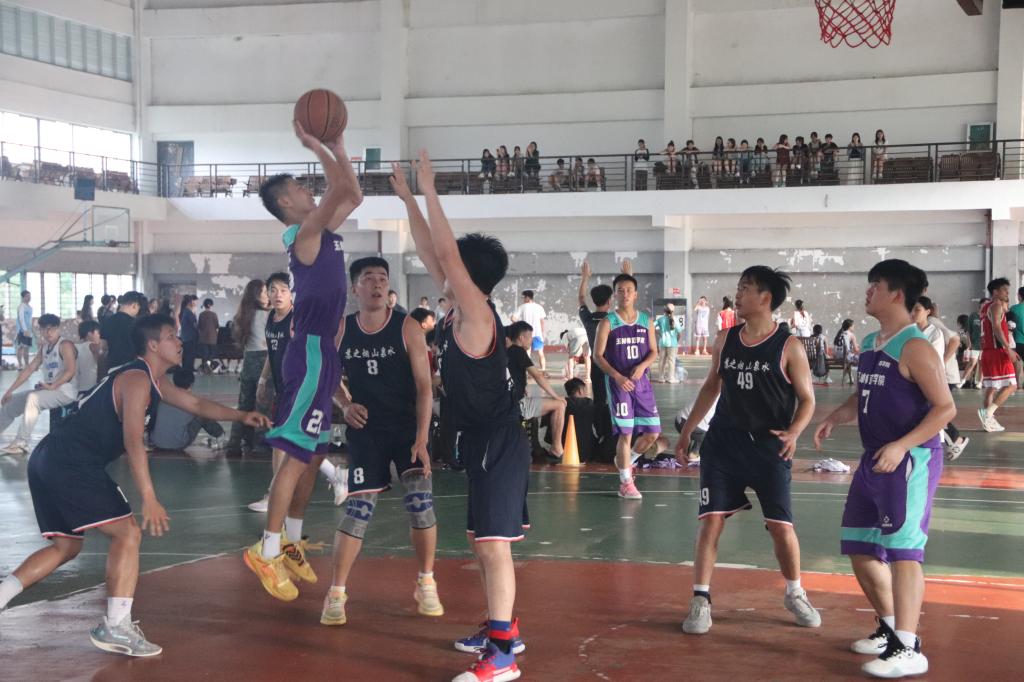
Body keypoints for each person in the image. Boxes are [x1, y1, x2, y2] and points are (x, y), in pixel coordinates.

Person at [0, 314, 269, 656]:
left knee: (65, 547)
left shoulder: (152, 379)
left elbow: (196, 403)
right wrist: (149, 497)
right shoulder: (137, 380)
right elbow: (132, 440)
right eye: (172, 336)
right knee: (128, 533)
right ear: (153, 345)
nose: (179, 342)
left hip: (49, 457)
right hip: (70, 461)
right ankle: (116, 627)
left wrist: (241, 415)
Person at [392, 152, 529, 682]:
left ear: (465, 276)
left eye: (453, 268)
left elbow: (446, 252)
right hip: (478, 439)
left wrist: (430, 188)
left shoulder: (477, 315)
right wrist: (408, 199)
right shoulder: (453, 310)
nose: (441, 269)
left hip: (498, 439)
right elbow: (432, 248)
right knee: (482, 541)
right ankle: (503, 628)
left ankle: (502, 656)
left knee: (493, 546)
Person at [814, 259, 954, 679]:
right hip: (874, 459)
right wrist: (835, 416)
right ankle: (891, 629)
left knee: (904, 552)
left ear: (896, 294)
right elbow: (863, 395)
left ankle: (908, 648)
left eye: (874, 285)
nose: (867, 291)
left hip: (909, 460)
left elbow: (945, 408)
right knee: (859, 546)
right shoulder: (873, 342)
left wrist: (902, 445)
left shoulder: (916, 348)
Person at [245, 120, 362, 603]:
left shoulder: (323, 231)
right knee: (295, 456)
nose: (307, 189)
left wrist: (339, 146)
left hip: (324, 351)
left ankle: (291, 540)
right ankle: (266, 549)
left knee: (313, 457)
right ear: (286, 203)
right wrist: (318, 146)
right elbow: (339, 189)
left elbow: (352, 194)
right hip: (310, 351)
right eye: (298, 186)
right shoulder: (303, 233)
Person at [675, 266, 820, 636]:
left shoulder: (789, 346)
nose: (737, 295)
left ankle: (795, 592)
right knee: (710, 520)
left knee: (781, 527)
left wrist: (794, 432)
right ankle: (700, 598)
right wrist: (688, 430)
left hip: (770, 448)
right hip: (723, 445)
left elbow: (807, 400)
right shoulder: (726, 338)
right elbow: (712, 386)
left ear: (765, 298)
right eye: (738, 288)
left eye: (745, 289)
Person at [322, 256, 442, 626]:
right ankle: (336, 593)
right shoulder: (341, 329)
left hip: (407, 429)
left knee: (420, 503)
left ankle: (426, 581)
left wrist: (422, 439)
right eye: (369, 278)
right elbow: (327, 377)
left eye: (382, 278)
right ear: (354, 287)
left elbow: (425, 388)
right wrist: (345, 404)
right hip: (367, 432)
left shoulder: (407, 327)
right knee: (358, 510)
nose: (377, 284)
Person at [251, 273, 344, 512]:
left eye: (283, 290)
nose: (278, 294)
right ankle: (336, 475)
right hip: (283, 388)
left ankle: (273, 495)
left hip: (301, 387)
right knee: (297, 440)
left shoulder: (299, 319)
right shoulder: (271, 318)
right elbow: (272, 353)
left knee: (280, 440)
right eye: (273, 290)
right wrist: (263, 380)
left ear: (292, 294)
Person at [593, 272, 661, 500]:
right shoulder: (608, 322)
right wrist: (617, 376)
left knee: (652, 433)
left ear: (636, 294)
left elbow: (654, 351)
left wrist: (642, 366)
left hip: (642, 384)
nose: (625, 294)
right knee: (626, 432)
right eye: (620, 290)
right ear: (615, 295)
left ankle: (626, 460)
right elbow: (597, 356)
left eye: (629, 290)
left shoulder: (646, 321)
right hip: (619, 385)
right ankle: (625, 483)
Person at [0, 314, 78, 455]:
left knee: (34, 399)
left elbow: (70, 370)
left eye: (51, 329)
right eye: (44, 329)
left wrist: (53, 385)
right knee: (11, 402)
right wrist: (9, 391)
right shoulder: (44, 348)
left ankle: (21, 443)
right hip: (49, 390)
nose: (48, 333)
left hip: (65, 391)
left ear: (58, 328)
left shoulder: (65, 345)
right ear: (40, 330)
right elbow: (29, 369)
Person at [912, 297, 969, 462]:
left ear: (928, 311)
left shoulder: (934, 330)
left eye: (917, 309)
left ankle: (953, 440)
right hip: (917, 380)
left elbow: (954, 341)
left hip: (936, 379)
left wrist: (943, 361)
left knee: (934, 413)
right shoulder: (910, 330)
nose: (913, 313)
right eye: (911, 309)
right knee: (926, 413)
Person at [507, 321, 566, 462]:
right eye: (529, 337)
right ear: (521, 338)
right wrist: (556, 396)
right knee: (559, 405)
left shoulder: (508, 351)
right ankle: (557, 450)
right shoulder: (519, 351)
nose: (531, 341)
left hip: (509, 401)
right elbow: (537, 376)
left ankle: (540, 447)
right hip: (517, 405)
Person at [226, 280, 270, 456]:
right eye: (265, 292)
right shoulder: (267, 316)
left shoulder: (243, 315)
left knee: (243, 405)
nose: (268, 296)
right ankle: (260, 445)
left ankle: (234, 443)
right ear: (256, 296)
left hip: (248, 361)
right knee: (262, 405)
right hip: (264, 361)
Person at [578, 260, 617, 448]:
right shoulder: (614, 319)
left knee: (599, 400)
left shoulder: (588, 318)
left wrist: (585, 278)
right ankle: (615, 433)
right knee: (617, 398)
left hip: (596, 365)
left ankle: (601, 433)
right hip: (613, 366)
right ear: (610, 301)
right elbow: (628, 305)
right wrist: (629, 277)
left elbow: (581, 298)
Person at [977, 278, 1018, 432]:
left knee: (991, 387)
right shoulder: (996, 306)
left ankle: (989, 421)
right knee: (1011, 385)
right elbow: (996, 327)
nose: (1007, 293)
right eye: (1004, 290)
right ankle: (988, 414)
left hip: (987, 351)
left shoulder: (984, 307)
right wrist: (1008, 348)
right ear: (995, 291)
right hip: (997, 351)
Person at [150, 369, 226, 450]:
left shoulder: (164, 397)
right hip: (178, 444)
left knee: (153, 411)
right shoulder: (191, 401)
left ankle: (148, 439)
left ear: (174, 382)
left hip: (157, 442)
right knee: (202, 414)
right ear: (191, 384)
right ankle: (220, 437)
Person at [101, 291, 145, 372]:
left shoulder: (108, 320)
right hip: (131, 365)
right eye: (138, 308)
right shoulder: (135, 323)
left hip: (112, 366)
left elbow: (103, 346)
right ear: (134, 305)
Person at [512, 289, 547, 372]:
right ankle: (543, 370)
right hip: (537, 334)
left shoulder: (522, 307)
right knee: (541, 353)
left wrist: (520, 326)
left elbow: (513, 318)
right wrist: (542, 333)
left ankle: (527, 371)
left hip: (526, 334)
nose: (523, 299)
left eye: (524, 297)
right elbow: (542, 322)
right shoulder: (539, 307)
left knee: (527, 354)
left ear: (527, 297)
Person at [74, 320, 103, 394]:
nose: (99, 336)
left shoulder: (74, 347)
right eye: (98, 333)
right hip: (92, 388)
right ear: (89, 334)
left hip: (78, 389)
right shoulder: (93, 346)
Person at [654, 304, 681, 383]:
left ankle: (660, 377)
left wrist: (659, 333)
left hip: (662, 342)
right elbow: (679, 332)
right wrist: (676, 340)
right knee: (671, 361)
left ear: (664, 310)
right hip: (673, 343)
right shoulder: (675, 319)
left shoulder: (660, 319)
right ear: (673, 311)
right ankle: (671, 378)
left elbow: (652, 326)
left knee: (661, 361)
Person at [833, 318, 860, 385]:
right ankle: (861, 379)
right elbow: (856, 350)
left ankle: (851, 378)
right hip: (845, 358)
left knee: (849, 357)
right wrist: (861, 349)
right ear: (849, 327)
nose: (854, 327)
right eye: (853, 326)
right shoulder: (851, 335)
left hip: (837, 358)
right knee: (862, 358)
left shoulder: (839, 334)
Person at [178, 294, 199, 377]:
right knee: (190, 354)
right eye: (194, 301)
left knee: (186, 354)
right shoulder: (189, 312)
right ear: (190, 302)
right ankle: (188, 369)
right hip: (190, 337)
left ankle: (186, 368)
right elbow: (195, 324)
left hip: (185, 336)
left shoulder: (184, 311)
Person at [197, 298, 220, 374]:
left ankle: (204, 369)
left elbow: (199, 326)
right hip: (212, 338)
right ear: (210, 305)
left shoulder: (201, 314)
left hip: (203, 338)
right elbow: (217, 326)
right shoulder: (214, 314)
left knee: (204, 354)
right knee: (211, 354)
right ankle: (209, 367)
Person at [15, 290, 33, 370]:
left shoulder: (30, 307)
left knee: (27, 348)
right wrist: (24, 330)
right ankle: (20, 364)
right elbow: (21, 319)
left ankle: (27, 364)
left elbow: (30, 320)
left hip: (28, 330)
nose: (29, 298)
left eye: (29, 296)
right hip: (22, 330)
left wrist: (31, 330)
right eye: (27, 296)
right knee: (21, 347)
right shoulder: (21, 306)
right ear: (23, 297)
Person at [1009, 285, 1024, 359]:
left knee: (1018, 364)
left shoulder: (1013, 309)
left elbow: (1009, 326)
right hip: (1018, 341)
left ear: (1019, 296)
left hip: (1018, 342)